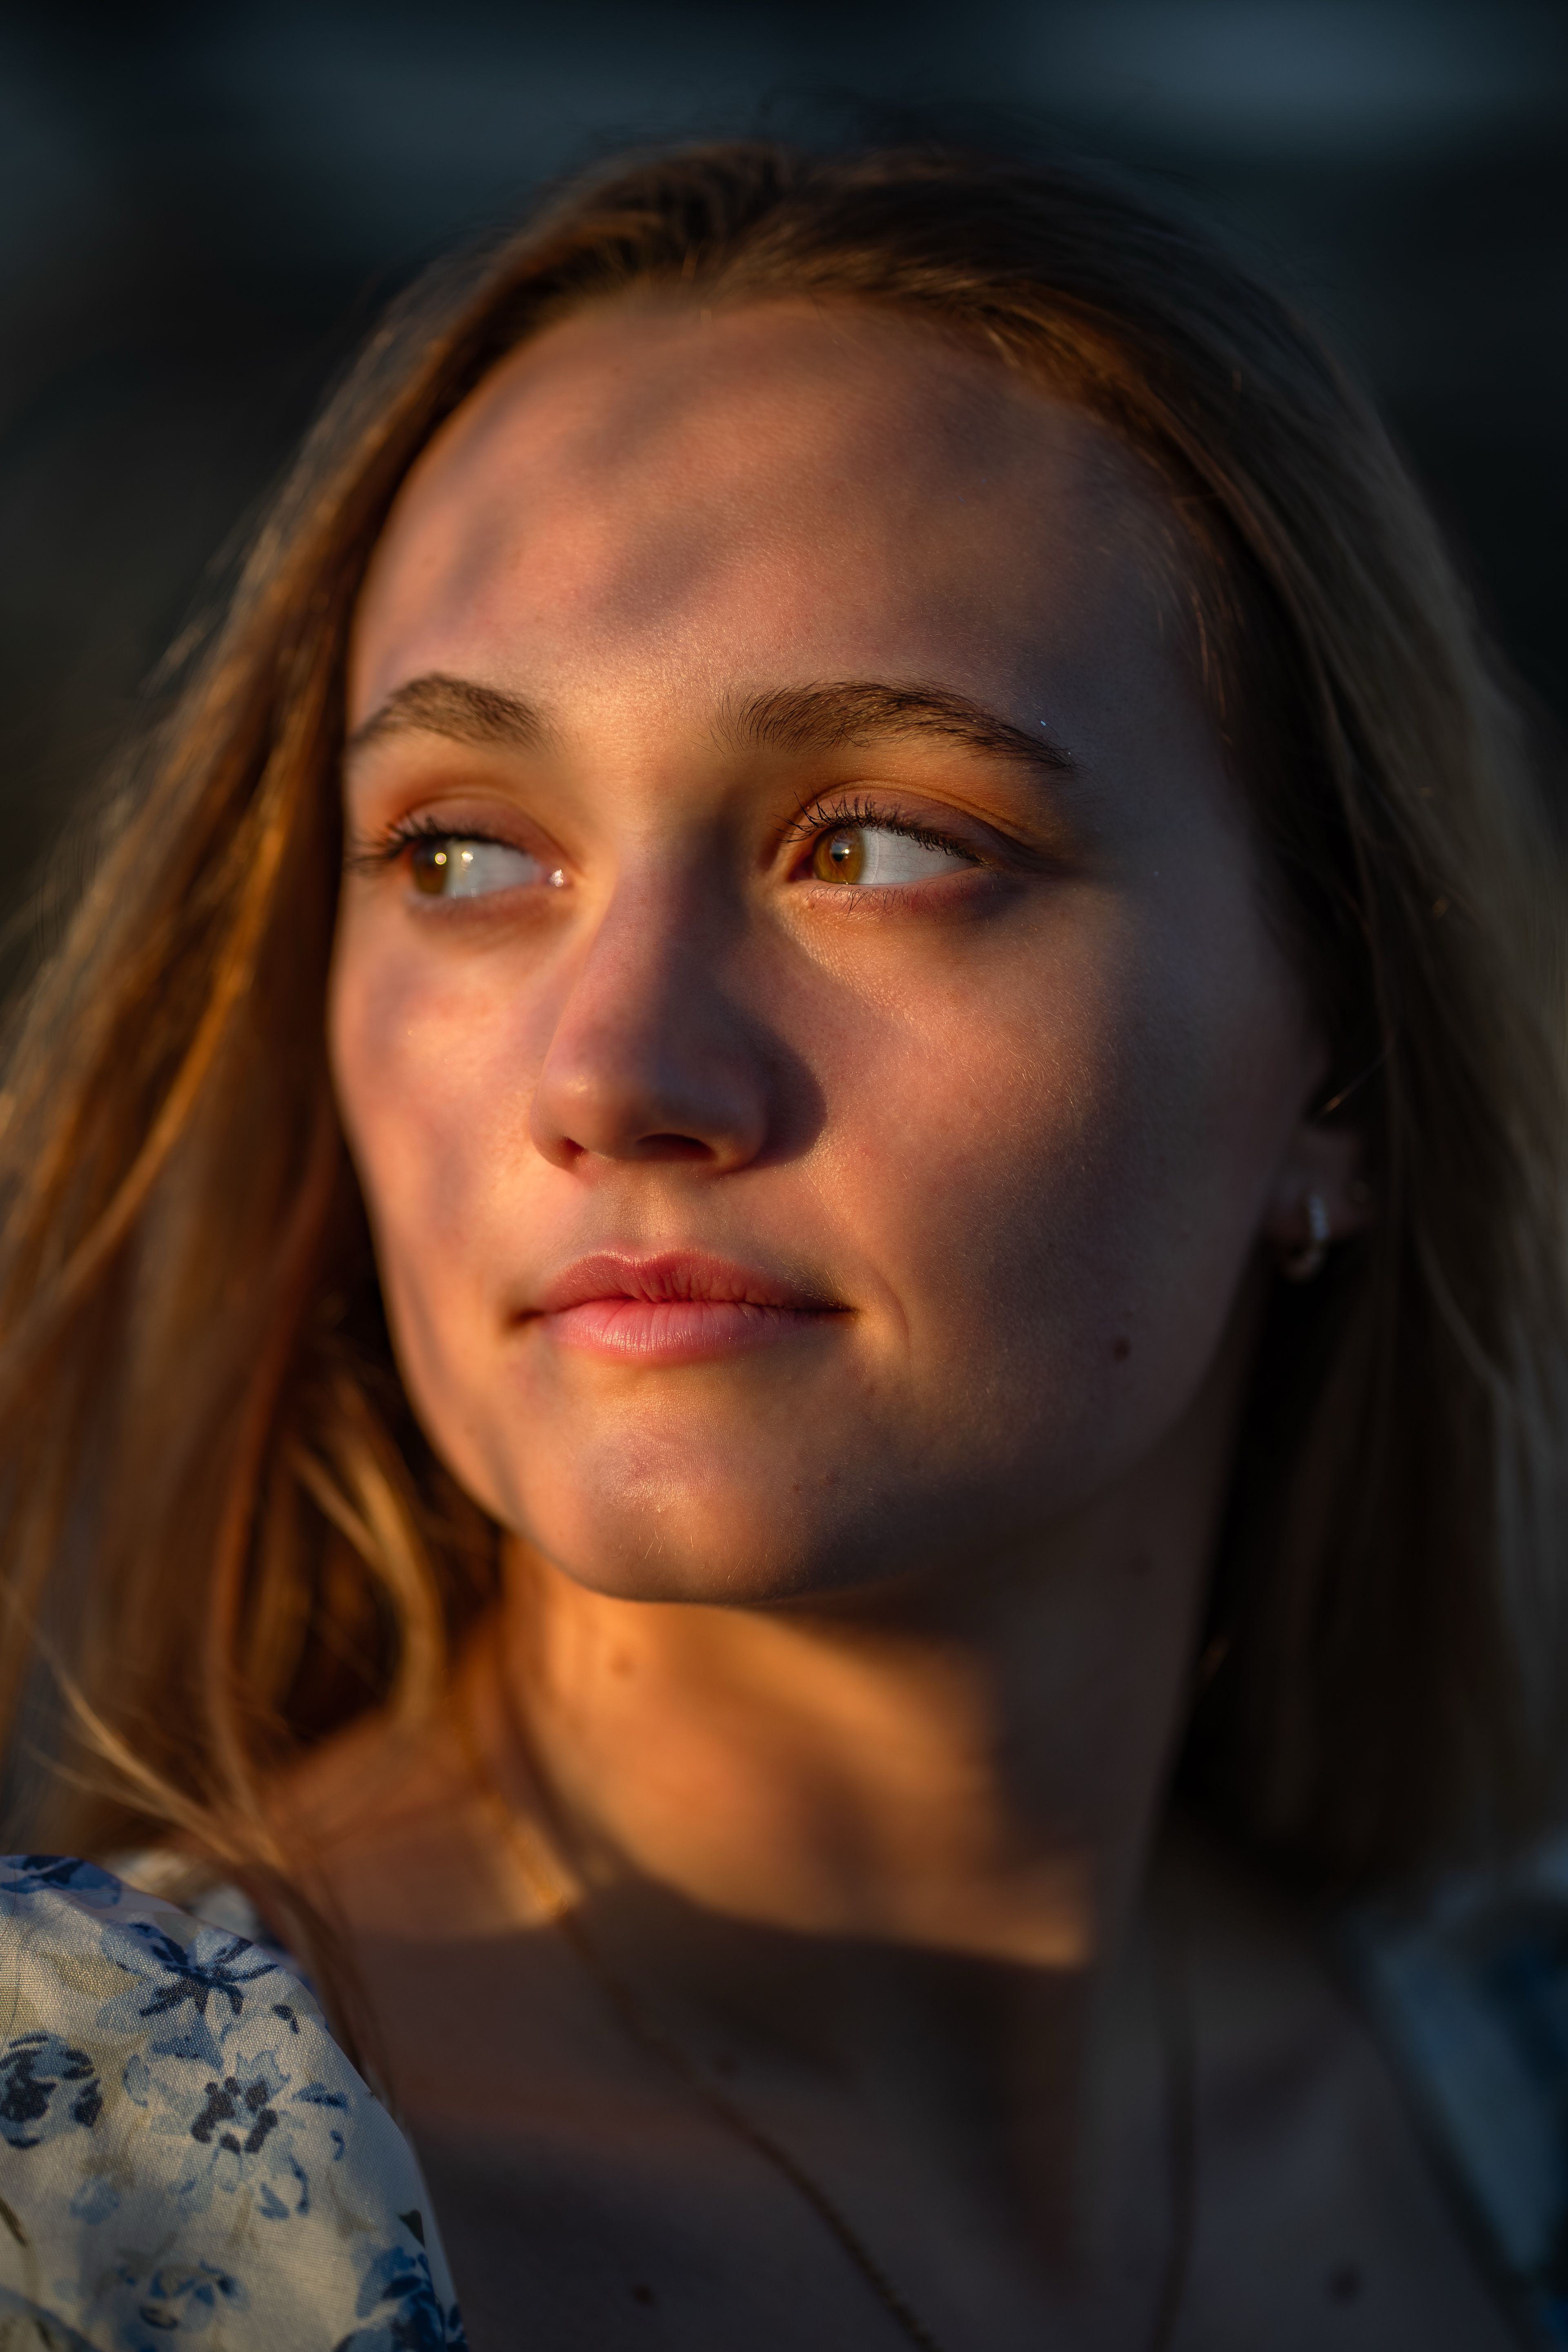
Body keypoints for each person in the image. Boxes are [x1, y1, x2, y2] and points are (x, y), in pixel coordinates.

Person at [0, 139, 1565, 2352]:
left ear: (1347, 1067)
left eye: (887, 845)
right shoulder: (67, 2217)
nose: (615, 1067)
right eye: (462, 855)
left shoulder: (1511, 2108)